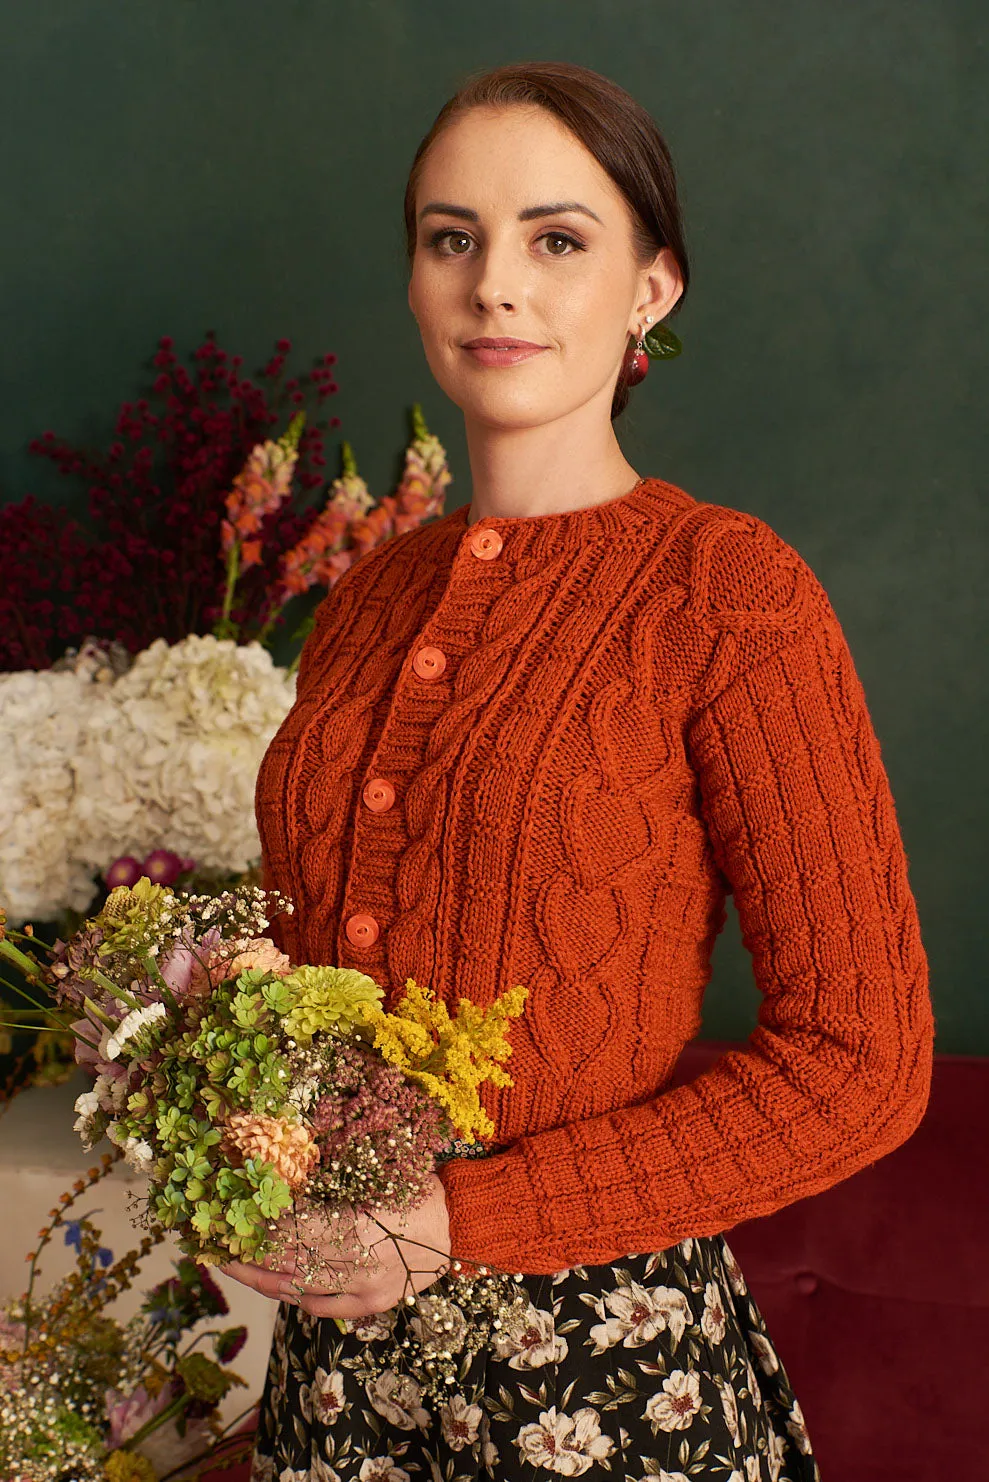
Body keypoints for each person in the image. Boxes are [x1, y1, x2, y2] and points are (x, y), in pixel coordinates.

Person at [230, 59, 934, 1482]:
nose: (498, 285)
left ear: (652, 291)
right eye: (453, 238)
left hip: (601, 1384)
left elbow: (864, 1064)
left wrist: (458, 1220)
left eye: (558, 240)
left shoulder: (726, 591)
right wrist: (239, 1139)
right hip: (335, 1386)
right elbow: (299, 962)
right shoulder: (369, 595)